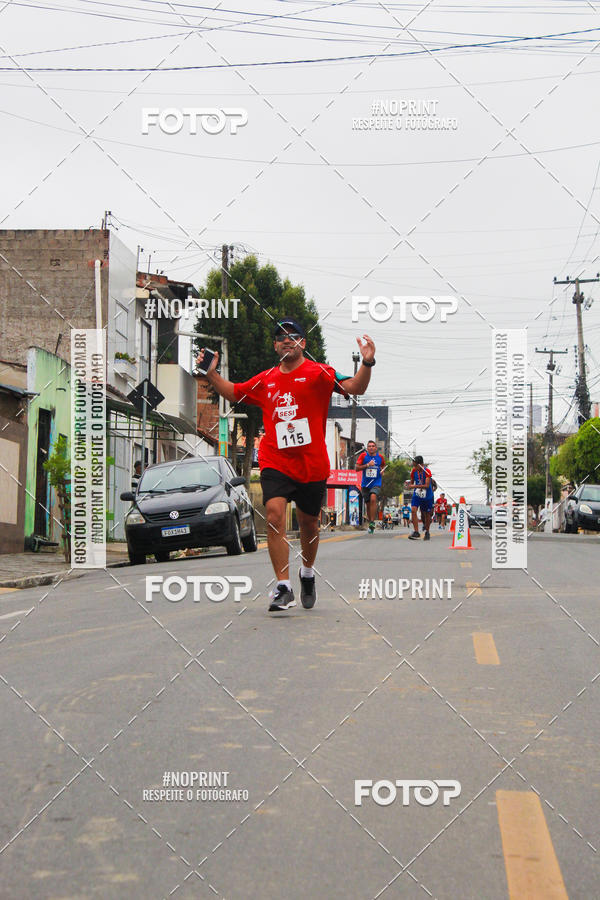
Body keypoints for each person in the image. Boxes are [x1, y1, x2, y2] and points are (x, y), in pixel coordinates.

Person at [197, 319, 376, 612]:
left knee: (309, 523)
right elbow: (234, 391)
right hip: (275, 460)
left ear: (303, 343)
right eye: (280, 337)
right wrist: (212, 373)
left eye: (293, 336)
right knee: (274, 515)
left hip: (312, 464)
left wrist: (367, 363)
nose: (286, 340)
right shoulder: (266, 379)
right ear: (275, 346)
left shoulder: (320, 372)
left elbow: (355, 387)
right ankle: (283, 586)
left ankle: (307, 572)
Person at [356, 440, 386, 534]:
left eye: (373, 446)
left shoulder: (380, 457)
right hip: (365, 484)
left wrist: (382, 471)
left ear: (376, 448)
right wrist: (368, 465)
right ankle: (371, 523)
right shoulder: (363, 456)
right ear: (367, 448)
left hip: (376, 482)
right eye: (369, 446)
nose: (371, 447)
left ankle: (372, 522)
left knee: (373, 498)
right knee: (368, 505)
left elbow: (383, 466)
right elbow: (357, 468)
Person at [408, 455, 434, 541]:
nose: (414, 467)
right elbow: (412, 482)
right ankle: (416, 532)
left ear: (421, 464)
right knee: (413, 510)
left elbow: (426, 485)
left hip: (427, 495)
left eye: (416, 465)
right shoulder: (414, 471)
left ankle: (427, 531)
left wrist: (414, 486)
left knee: (427, 514)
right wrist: (409, 485)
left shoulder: (427, 471)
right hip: (417, 494)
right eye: (414, 465)